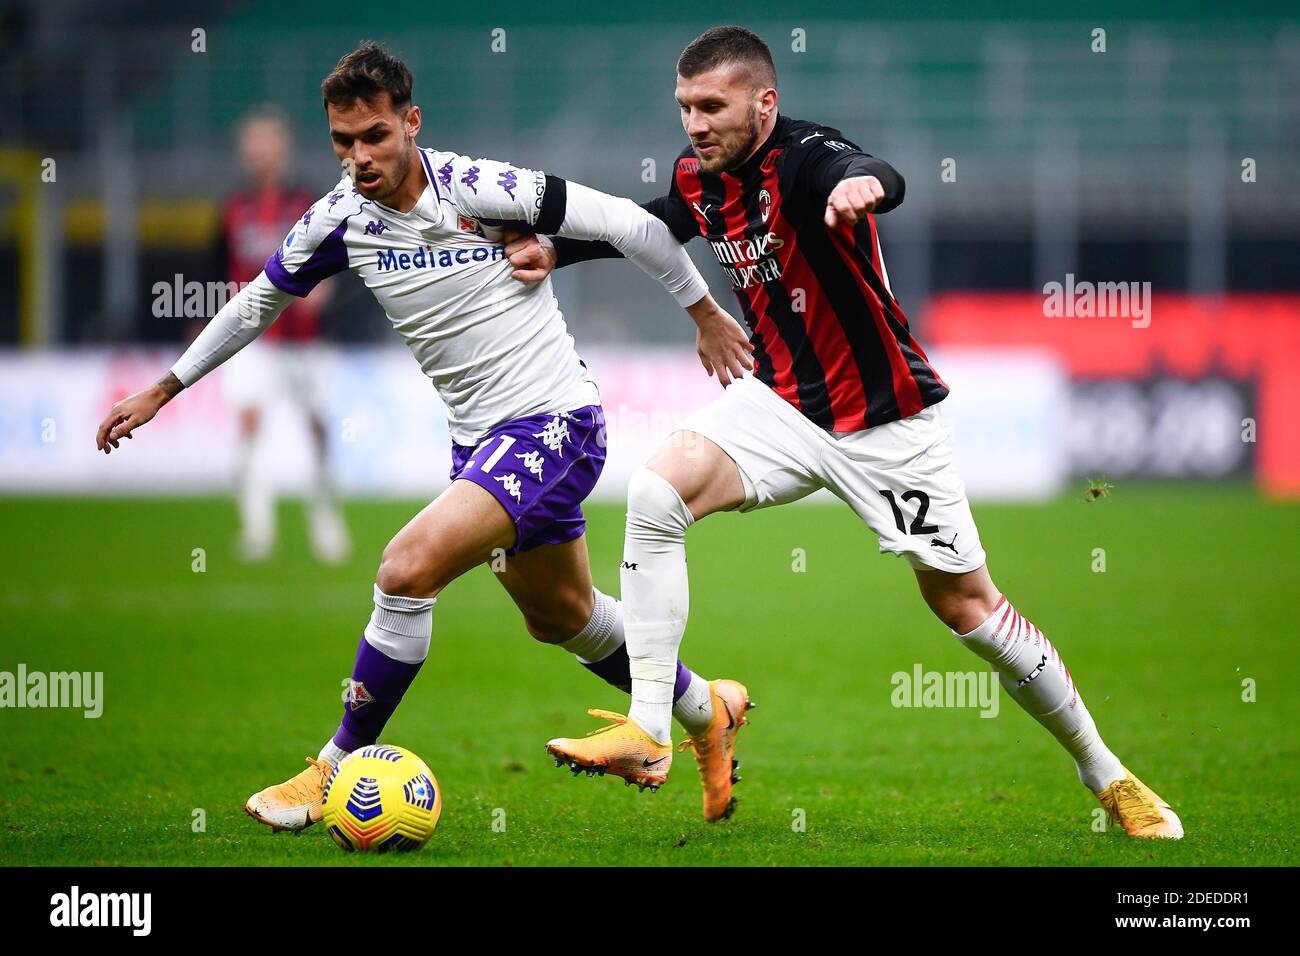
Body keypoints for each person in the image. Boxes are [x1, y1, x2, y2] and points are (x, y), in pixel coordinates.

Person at [513, 25, 1181, 839]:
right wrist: (552, 246)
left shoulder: (805, 158)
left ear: (765, 103)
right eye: (686, 106)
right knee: (656, 489)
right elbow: (655, 222)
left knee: (968, 609)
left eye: (712, 106)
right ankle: (651, 726)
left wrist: (863, 188)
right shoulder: (700, 176)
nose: (695, 123)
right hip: (781, 404)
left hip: (887, 420)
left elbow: (872, 169)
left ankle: (1103, 771)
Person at [95, 41, 756, 830]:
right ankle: (705, 707)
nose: (360, 157)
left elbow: (625, 224)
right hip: (479, 444)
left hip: (554, 425)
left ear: (412, 122)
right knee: (563, 616)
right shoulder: (338, 219)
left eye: (375, 135)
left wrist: (703, 311)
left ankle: (330, 770)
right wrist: (166, 386)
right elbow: (255, 304)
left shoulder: (481, 187)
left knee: (405, 570)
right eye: (343, 142)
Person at [218, 106, 348, 563]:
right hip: (253, 341)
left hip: (306, 341)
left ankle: (325, 521)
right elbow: (215, 268)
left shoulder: (308, 204)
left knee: (317, 430)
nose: (261, 152)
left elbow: (338, 256)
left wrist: (324, 288)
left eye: (268, 142)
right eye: (253, 144)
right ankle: (257, 529)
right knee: (252, 425)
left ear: (283, 147)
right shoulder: (233, 208)